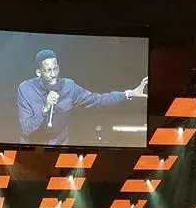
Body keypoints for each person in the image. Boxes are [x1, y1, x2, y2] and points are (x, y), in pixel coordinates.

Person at [16, 48, 148, 146]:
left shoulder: (69, 87)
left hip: (60, 149)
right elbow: (27, 129)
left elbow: (98, 100)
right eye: (48, 71)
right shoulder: (26, 89)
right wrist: (45, 109)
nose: (53, 74)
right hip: (32, 152)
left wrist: (129, 93)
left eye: (55, 69)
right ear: (38, 72)